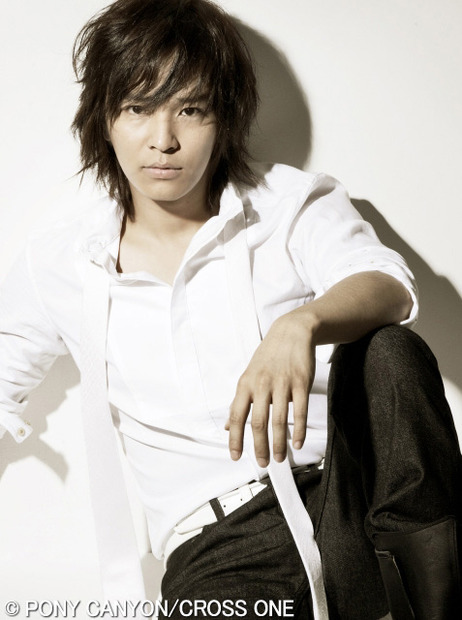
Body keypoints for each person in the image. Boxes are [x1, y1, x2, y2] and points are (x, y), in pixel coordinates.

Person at [0, 0, 461, 618]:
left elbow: (389, 285)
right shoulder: (63, 260)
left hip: (345, 504)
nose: (164, 139)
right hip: (218, 550)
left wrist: (301, 324)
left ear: (224, 118)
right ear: (103, 118)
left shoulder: (287, 204)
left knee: (389, 351)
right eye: (138, 108)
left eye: (190, 110)